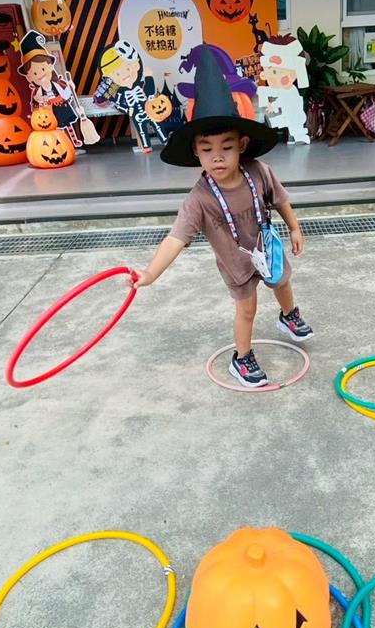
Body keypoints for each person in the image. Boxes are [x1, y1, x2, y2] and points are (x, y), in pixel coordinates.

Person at [134, 45, 314, 388]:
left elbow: (280, 199)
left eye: (227, 147)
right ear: (196, 151)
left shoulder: (258, 171)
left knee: (282, 281)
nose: (217, 157)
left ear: (242, 145)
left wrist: (294, 228)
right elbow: (175, 239)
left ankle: (289, 315)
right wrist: (150, 273)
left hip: (266, 248)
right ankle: (242, 359)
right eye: (207, 149)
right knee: (247, 310)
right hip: (236, 264)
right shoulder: (199, 200)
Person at [99, 40, 168, 154]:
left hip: (149, 108)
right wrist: (127, 109)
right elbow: (117, 103)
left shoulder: (141, 84)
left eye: (127, 68)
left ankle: (165, 140)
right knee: (141, 130)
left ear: (136, 65)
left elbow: (150, 92)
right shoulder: (119, 92)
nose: (125, 74)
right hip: (135, 113)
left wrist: (149, 78)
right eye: (117, 74)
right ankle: (146, 145)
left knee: (157, 124)